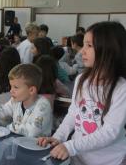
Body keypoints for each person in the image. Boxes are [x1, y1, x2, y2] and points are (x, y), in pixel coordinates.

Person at [37, 21, 126, 165]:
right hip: (79, 156)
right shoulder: (82, 80)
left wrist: (71, 146)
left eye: (89, 46)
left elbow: (110, 132)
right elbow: (73, 113)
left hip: (109, 159)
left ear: (109, 49)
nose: (82, 51)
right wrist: (59, 137)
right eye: (83, 45)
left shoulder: (121, 88)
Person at [0, 64, 53, 137]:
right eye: (11, 86)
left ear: (31, 90)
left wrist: (6, 128)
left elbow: (32, 131)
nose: (11, 91)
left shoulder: (43, 105)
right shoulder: (15, 102)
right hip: (18, 147)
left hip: (38, 153)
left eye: (16, 87)